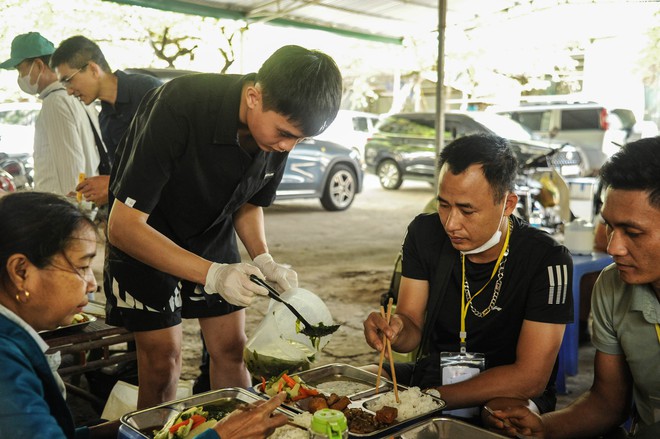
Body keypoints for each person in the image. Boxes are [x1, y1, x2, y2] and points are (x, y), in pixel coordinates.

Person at [103, 44, 342, 409]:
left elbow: (247, 202)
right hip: (146, 241)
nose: (287, 146)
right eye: (284, 133)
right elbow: (122, 227)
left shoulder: (277, 138)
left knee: (232, 350)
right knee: (163, 363)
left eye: (299, 139)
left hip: (211, 234)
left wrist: (263, 258)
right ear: (253, 96)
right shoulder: (179, 104)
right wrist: (214, 275)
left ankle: (237, 430)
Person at [0, 191, 290, 439]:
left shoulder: (13, 343)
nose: (92, 283)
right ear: (21, 272)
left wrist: (130, 428)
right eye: (82, 266)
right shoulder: (5, 369)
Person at [363, 133, 574, 421]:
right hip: (434, 374)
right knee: (360, 383)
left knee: (502, 416)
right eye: (444, 205)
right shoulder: (424, 234)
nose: (451, 224)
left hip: (505, 388)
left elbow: (530, 377)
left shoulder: (548, 259)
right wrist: (395, 329)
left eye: (466, 210)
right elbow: (410, 330)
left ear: (508, 204)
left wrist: (426, 401)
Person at [484, 137, 660, 439]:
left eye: (632, 232)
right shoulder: (611, 286)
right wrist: (544, 427)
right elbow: (607, 402)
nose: (613, 247)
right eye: (609, 227)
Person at [50, 35, 162, 206]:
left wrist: (111, 185)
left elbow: (169, 162)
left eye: (68, 80)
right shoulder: (105, 120)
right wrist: (94, 195)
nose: (69, 91)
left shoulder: (148, 91)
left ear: (93, 69)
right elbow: (122, 175)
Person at [0, 32, 103, 197]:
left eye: (20, 70)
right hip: (80, 206)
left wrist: (75, 211)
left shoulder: (55, 102)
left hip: (63, 212)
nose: (20, 77)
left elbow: (71, 167)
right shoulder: (78, 96)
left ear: (39, 65)